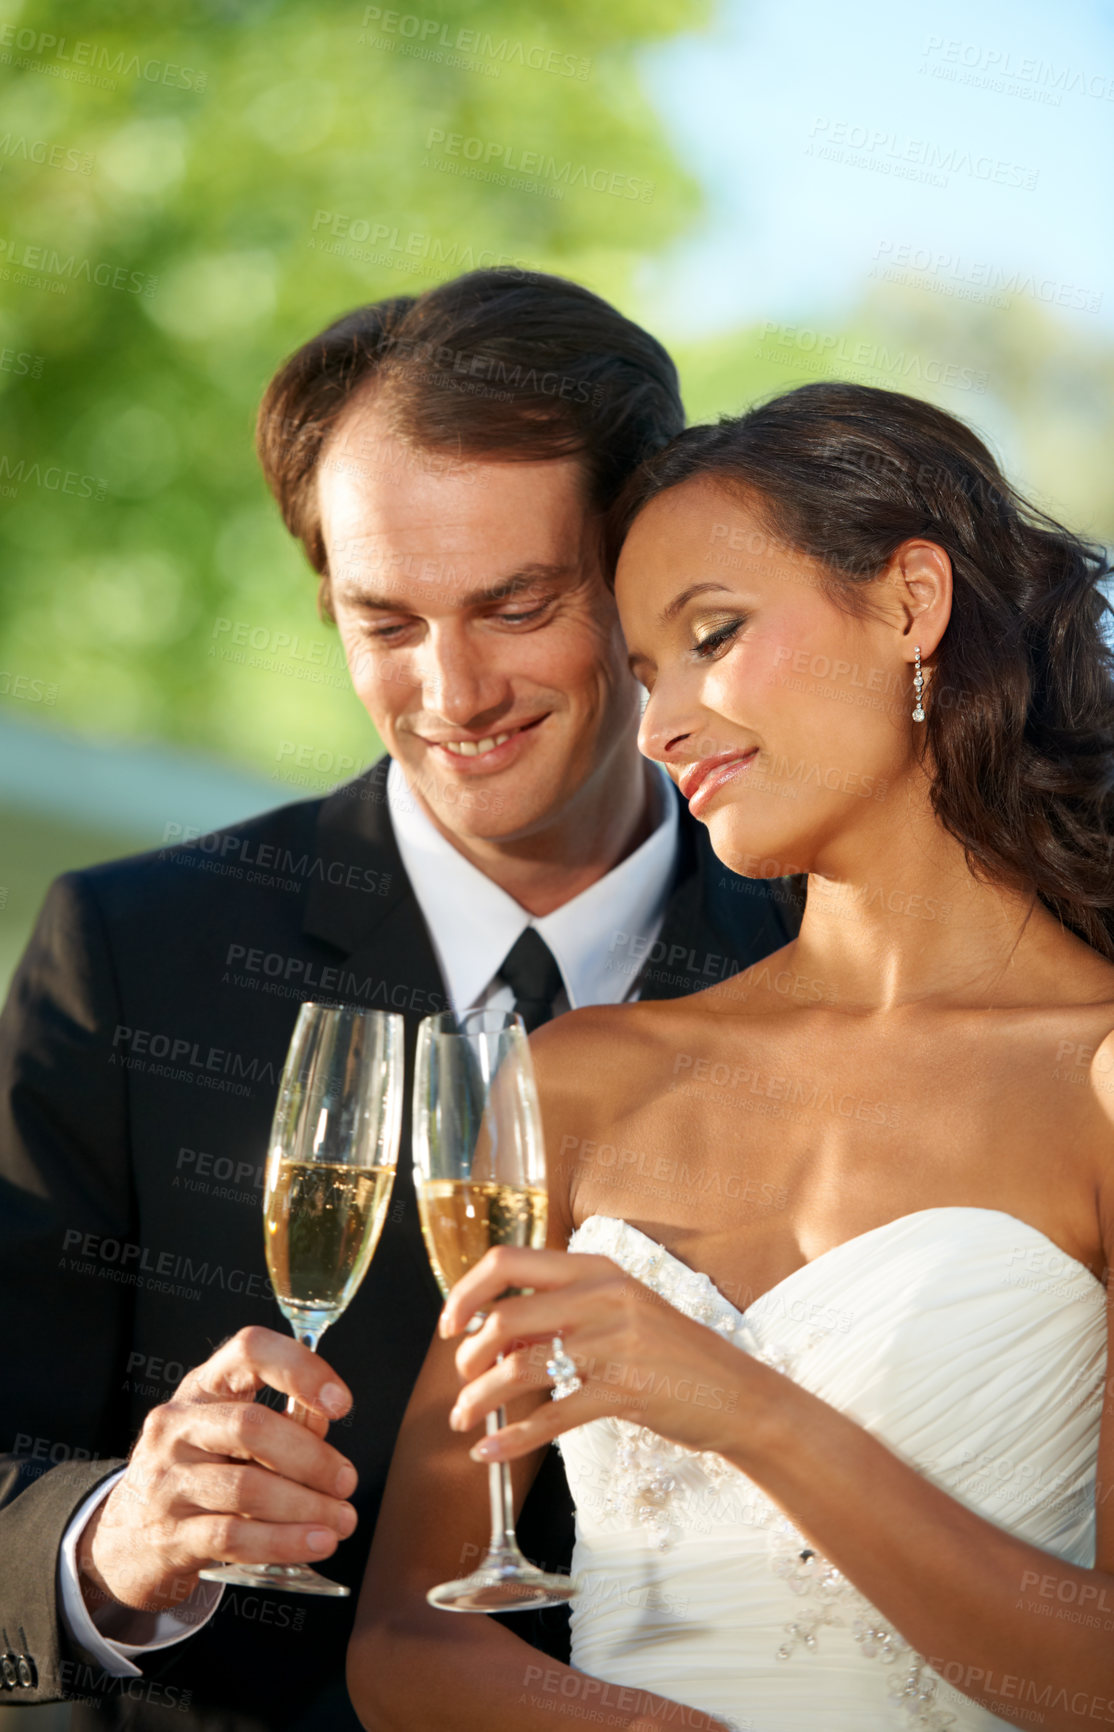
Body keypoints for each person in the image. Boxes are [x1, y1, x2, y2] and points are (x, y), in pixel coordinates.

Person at [0, 269, 795, 1730]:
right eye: (384, 621)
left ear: (642, 572)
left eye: (516, 604)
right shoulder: (130, 951)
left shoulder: (837, 957)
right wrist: (121, 1542)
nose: (453, 690)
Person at [350, 381, 1114, 1731]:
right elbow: (408, 1640)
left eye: (712, 637)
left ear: (908, 603)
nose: (659, 729)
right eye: (645, 677)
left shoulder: (1094, 1076)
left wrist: (746, 1411)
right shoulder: (577, 1080)